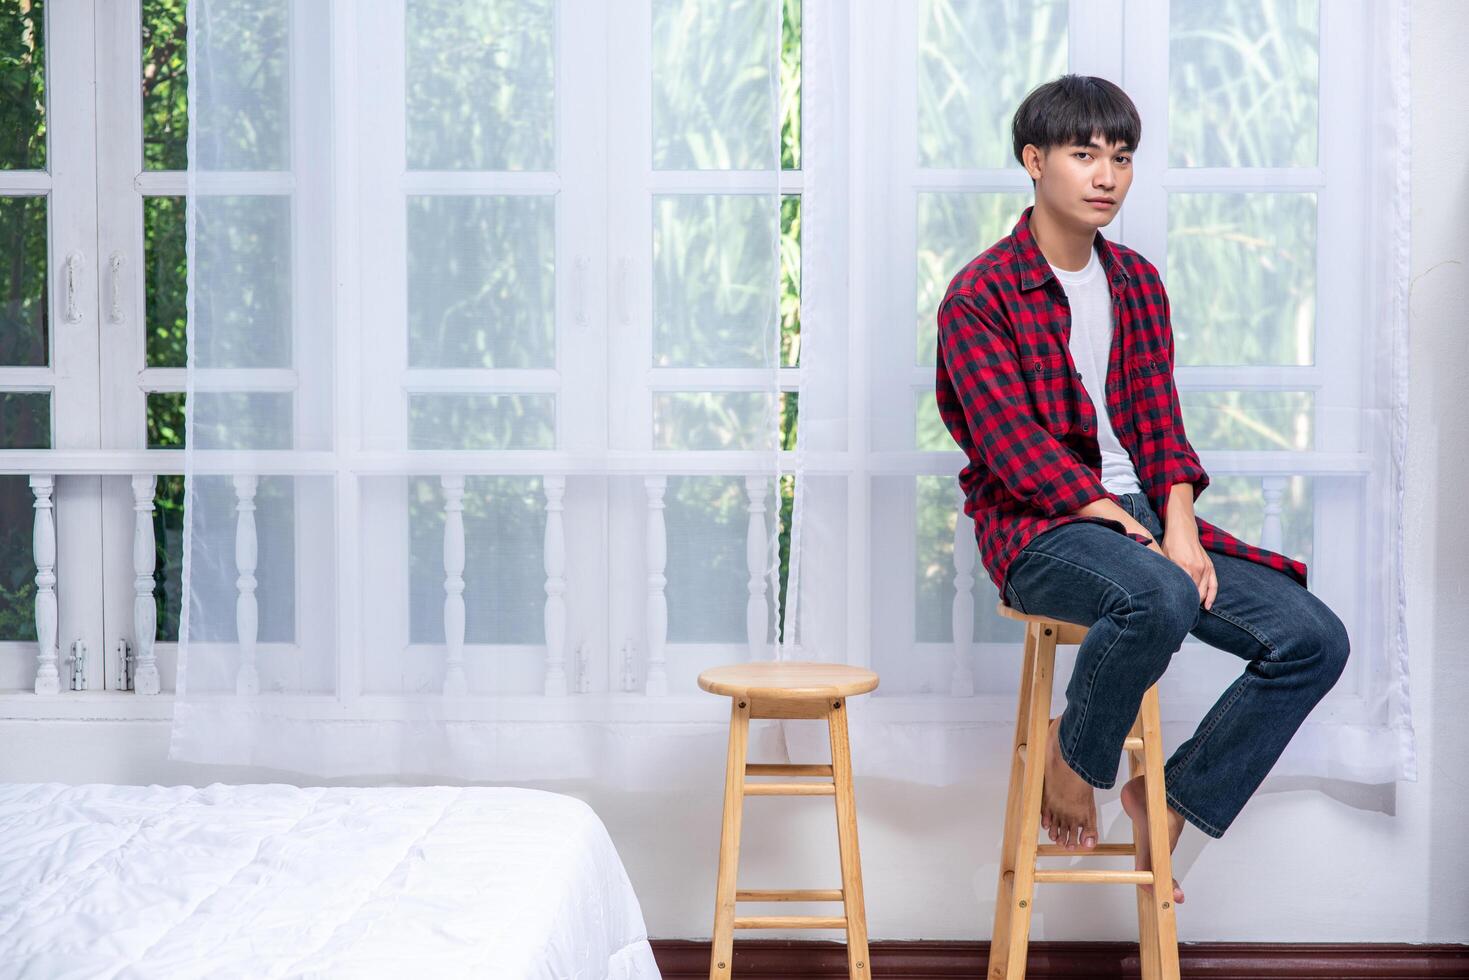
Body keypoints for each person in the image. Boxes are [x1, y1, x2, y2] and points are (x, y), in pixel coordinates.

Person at [933, 74, 1349, 904]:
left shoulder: (1136, 282)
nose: (1106, 176)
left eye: (1120, 158)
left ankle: (1166, 796)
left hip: (1142, 524)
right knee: (1156, 593)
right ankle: (1071, 757)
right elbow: (1011, 450)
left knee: (1313, 639)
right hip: (1041, 529)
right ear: (1032, 160)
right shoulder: (977, 295)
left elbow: (1159, 425)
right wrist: (1131, 535)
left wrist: (1178, 526)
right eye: (1083, 154)